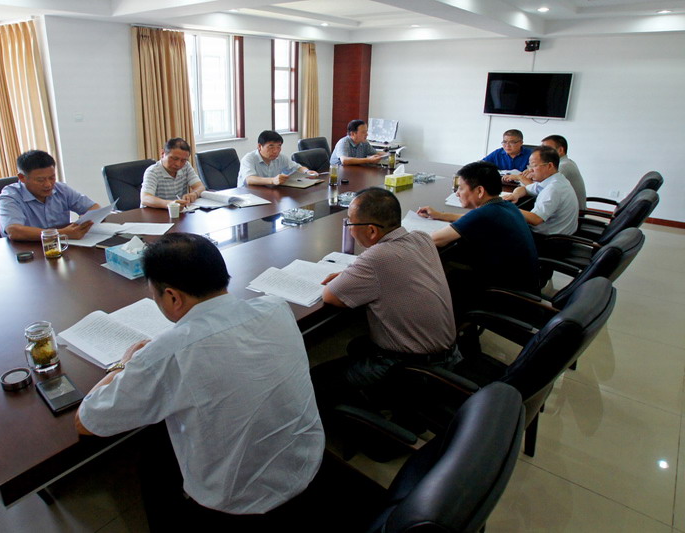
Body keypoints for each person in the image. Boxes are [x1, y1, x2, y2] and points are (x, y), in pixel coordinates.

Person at [75, 233, 324, 525]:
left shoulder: (169, 352)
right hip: (306, 466)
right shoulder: (276, 307)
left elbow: (87, 421)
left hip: (237, 503)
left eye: (155, 295)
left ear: (172, 297)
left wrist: (123, 365)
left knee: (152, 452)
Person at [313, 188, 457, 409]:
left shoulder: (377, 258)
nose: (349, 229)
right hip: (448, 355)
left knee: (315, 381)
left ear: (371, 230)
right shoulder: (421, 238)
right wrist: (353, 273)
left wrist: (351, 273)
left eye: (350, 223)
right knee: (357, 345)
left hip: (412, 368)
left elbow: (331, 295)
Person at [417, 161, 540, 302]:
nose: (457, 193)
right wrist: (440, 215)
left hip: (505, 296)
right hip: (524, 288)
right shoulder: (505, 205)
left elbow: (435, 239)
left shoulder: (483, 215)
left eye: (461, 188)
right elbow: (471, 219)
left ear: (480, 191)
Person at [0, 149, 99, 241]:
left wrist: (83, 221)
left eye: (52, 177)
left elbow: (95, 207)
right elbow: (14, 231)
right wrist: (62, 233)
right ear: (22, 177)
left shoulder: (61, 189)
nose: (48, 184)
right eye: (40, 180)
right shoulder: (10, 196)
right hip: (25, 250)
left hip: (61, 246)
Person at [503, 146, 579, 236]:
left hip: (550, 239)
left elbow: (535, 219)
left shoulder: (554, 188)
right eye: (530, 165)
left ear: (549, 166)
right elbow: (525, 189)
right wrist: (515, 195)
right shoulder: (554, 179)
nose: (530, 170)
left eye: (534, 165)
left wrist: (508, 208)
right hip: (559, 232)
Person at [140, 137, 205, 208]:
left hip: (179, 211)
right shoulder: (152, 171)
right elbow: (145, 198)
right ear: (162, 154)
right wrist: (170, 204)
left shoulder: (186, 166)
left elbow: (200, 186)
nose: (178, 164)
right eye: (174, 158)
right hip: (155, 212)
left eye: (183, 160)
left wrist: (194, 194)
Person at [238, 130, 318, 187]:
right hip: (247, 197)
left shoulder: (280, 157)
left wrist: (307, 172)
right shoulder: (249, 159)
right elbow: (249, 179)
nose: (275, 151)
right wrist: (272, 180)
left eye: (278, 146)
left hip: (268, 194)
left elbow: (297, 167)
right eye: (271, 146)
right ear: (259, 146)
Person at [541, 135, 586, 210]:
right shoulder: (567, 162)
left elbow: (543, 189)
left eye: (546, 149)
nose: (542, 153)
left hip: (573, 212)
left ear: (560, 150)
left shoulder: (563, 166)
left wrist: (522, 178)